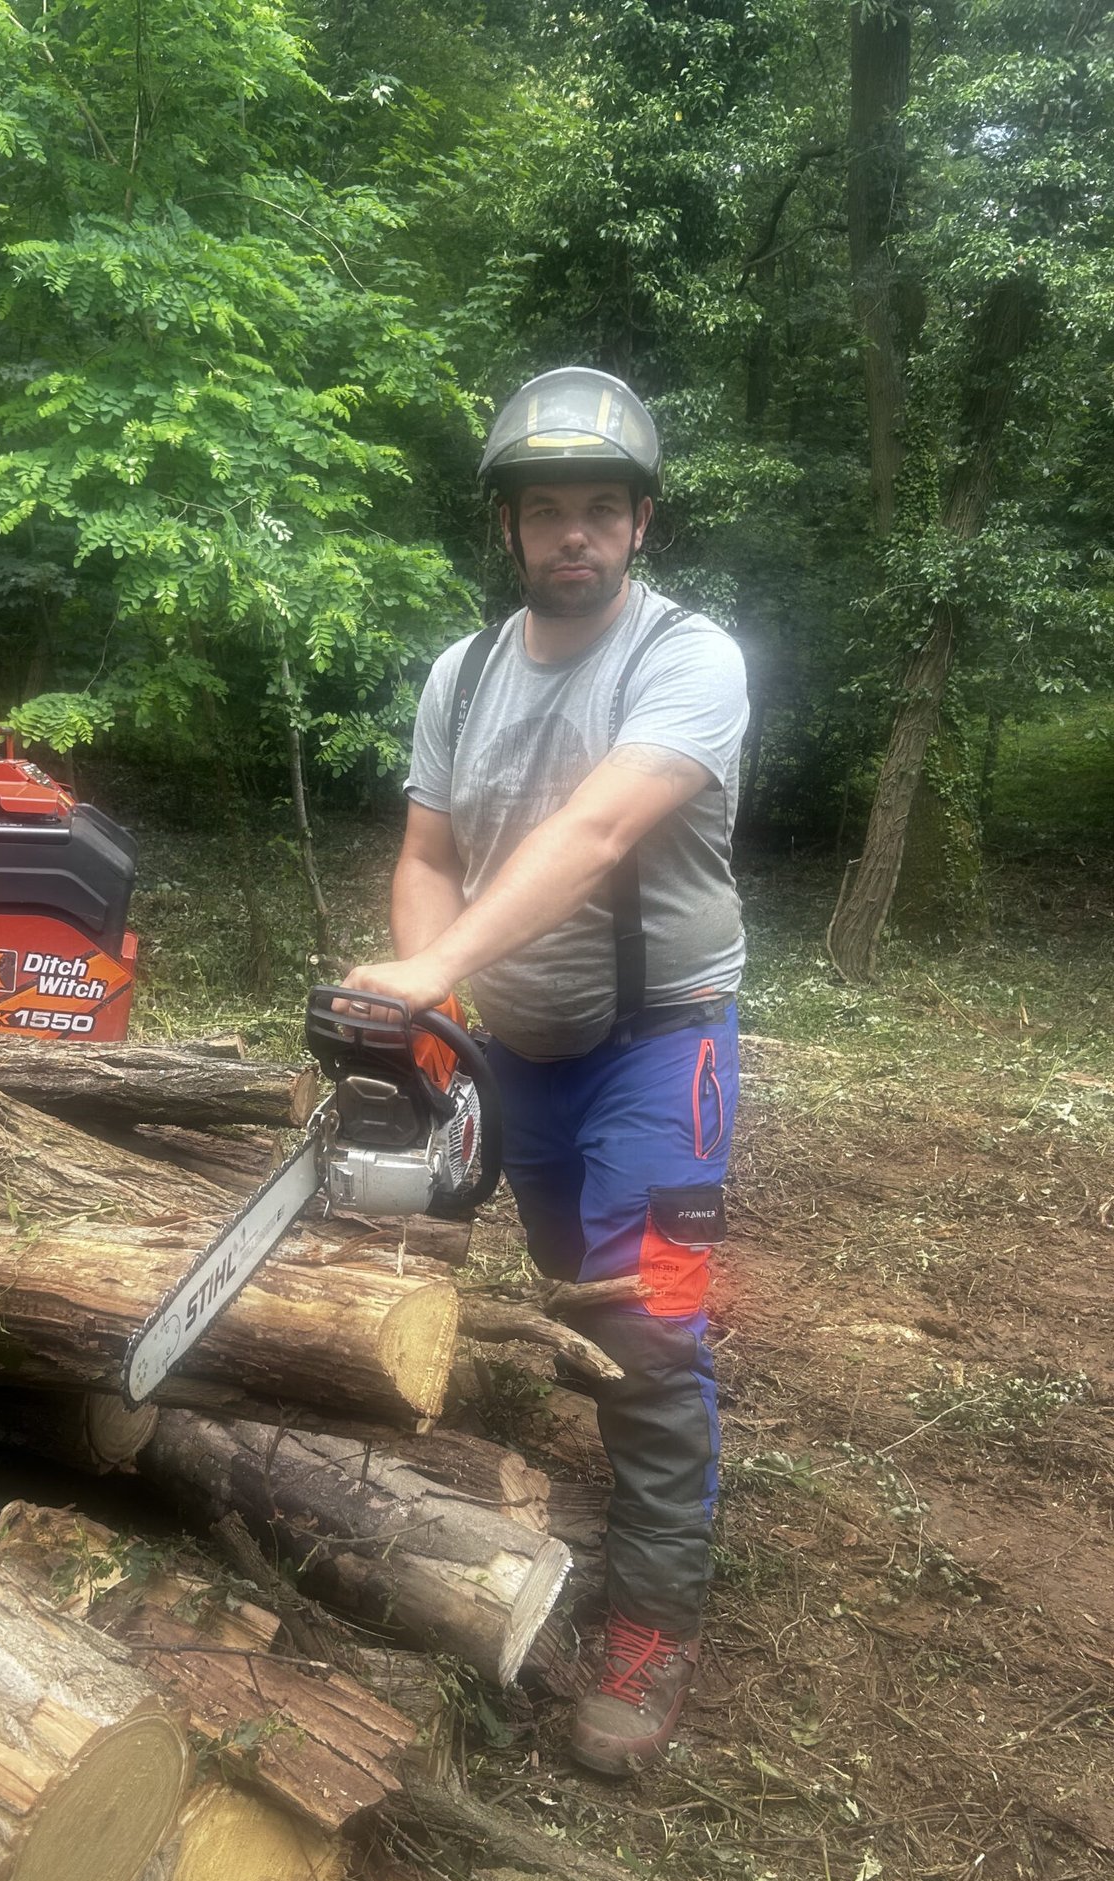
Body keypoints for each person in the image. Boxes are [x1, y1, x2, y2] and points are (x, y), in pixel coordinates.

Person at [342, 367, 748, 1776]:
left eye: (599, 511)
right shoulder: (462, 673)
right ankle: (664, 1447)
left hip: (660, 1040)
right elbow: (426, 856)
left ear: (639, 524)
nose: (572, 536)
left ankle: (653, 1623)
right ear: (508, 528)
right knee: (581, 1296)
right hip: (517, 1046)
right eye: (545, 513)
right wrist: (428, 989)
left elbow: (589, 834)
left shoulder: (691, 659)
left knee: (646, 1319)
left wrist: (425, 963)